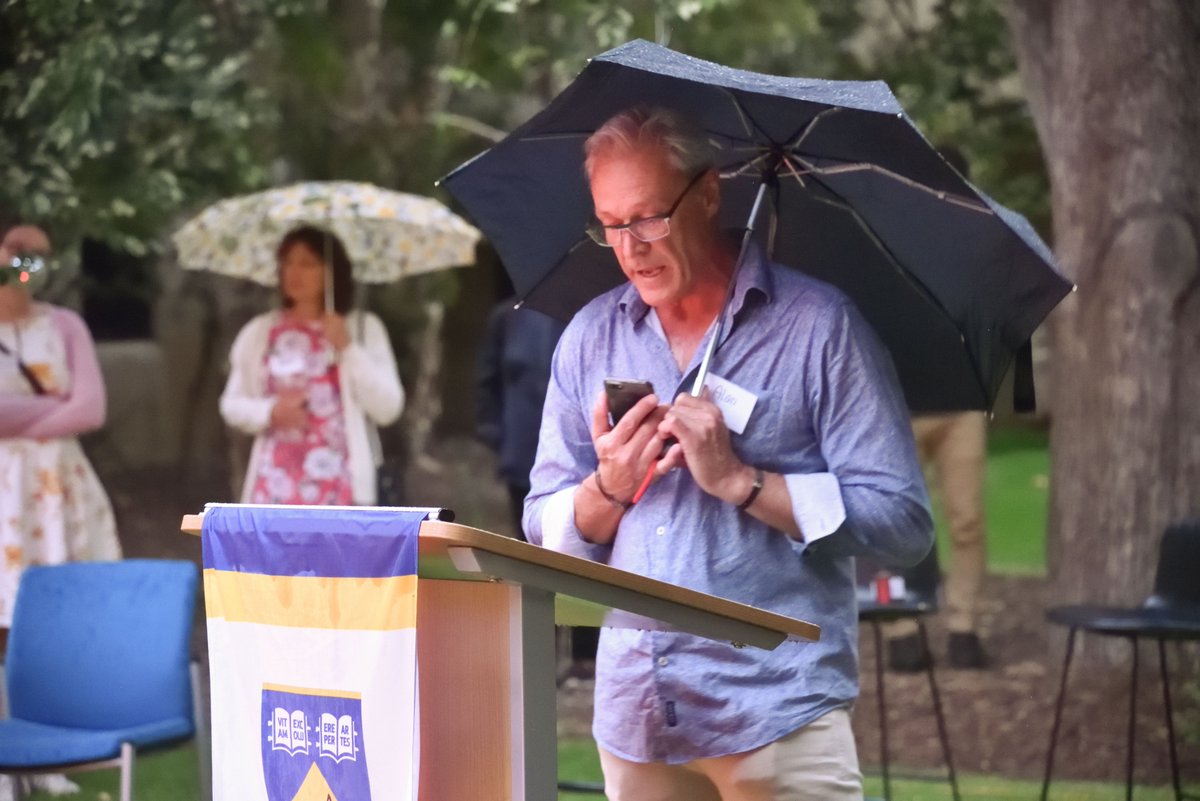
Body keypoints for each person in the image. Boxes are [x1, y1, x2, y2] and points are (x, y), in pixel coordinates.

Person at [523, 106, 934, 800]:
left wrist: (743, 480)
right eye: (611, 224)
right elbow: (542, 525)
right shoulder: (590, 339)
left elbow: (902, 521)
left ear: (708, 193)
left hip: (776, 709)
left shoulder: (819, 328)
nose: (631, 246)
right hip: (638, 717)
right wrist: (610, 487)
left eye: (649, 217)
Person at [0, 222, 122, 798]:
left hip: (55, 493)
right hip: (6, 498)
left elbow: (90, 408)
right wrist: (51, 407)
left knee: (48, 622)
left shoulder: (64, 326)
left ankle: (49, 752)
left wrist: (24, 414)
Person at [220, 225, 404, 506]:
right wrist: (270, 411)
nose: (295, 273)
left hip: (341, 488)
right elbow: (231, 403)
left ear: (332, 271)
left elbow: (388, 407)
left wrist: (348, 348)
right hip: (276, 485)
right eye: (288, 262)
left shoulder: (363, 329)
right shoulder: (259, 332)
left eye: (307, 263)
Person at [475, 298, 567, 537]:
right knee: (526, 535)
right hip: (521, 446)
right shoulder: (507, 316)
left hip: (569, 451)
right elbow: (487, 380)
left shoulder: (583, 315)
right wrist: (494, 432)